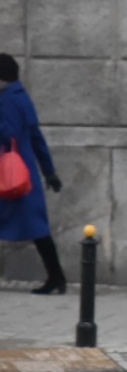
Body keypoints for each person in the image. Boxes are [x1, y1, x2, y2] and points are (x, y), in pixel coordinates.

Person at [0, 53, 65, 295]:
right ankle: (57, 277)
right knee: (38, 229)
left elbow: (9, 134)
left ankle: (57, 277)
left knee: (38, 229)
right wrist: (49, 172)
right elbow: (37, 139)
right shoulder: (21, 97)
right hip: (24, 173)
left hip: (10, 174)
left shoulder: (7, 101)